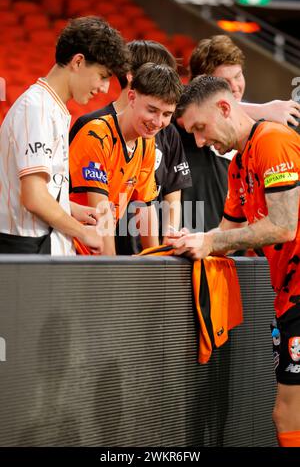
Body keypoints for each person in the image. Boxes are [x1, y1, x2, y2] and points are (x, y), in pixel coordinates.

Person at [168, 75, 300, 447]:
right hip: (288, 293)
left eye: (200, 127)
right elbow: (226, 234)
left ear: (224, 108)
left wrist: (211, 240)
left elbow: (284, 226)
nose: (197, 140)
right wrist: (191, 240)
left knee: (287, 412)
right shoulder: (240, 165)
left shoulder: (273, 142)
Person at [0, 16, 130, 255]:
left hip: (38, 244)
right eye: (103, 75)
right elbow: (34, 198)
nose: (103, 88)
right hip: (23, 246)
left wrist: (72, 209)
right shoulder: (36, 108)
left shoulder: (51, 107)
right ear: (78, 62)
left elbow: (38, 192)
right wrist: (82, 232)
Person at [70, 40, 192, 253]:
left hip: (95, 249)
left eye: (166, 114)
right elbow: (101, 212)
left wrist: (156, 259)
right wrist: (110, 270)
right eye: (152, 110)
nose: (158, 122)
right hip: (70, 247)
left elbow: (145, 208)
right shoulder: (97, 134)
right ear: (132, 97)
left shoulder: (147, 142)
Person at [176, 35, 300, 233]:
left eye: (238, 76)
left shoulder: (269, 137)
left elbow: (282, 226)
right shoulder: (185, 122)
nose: (235, 87)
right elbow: (176, 106)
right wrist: (259, 110)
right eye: (224, 81)